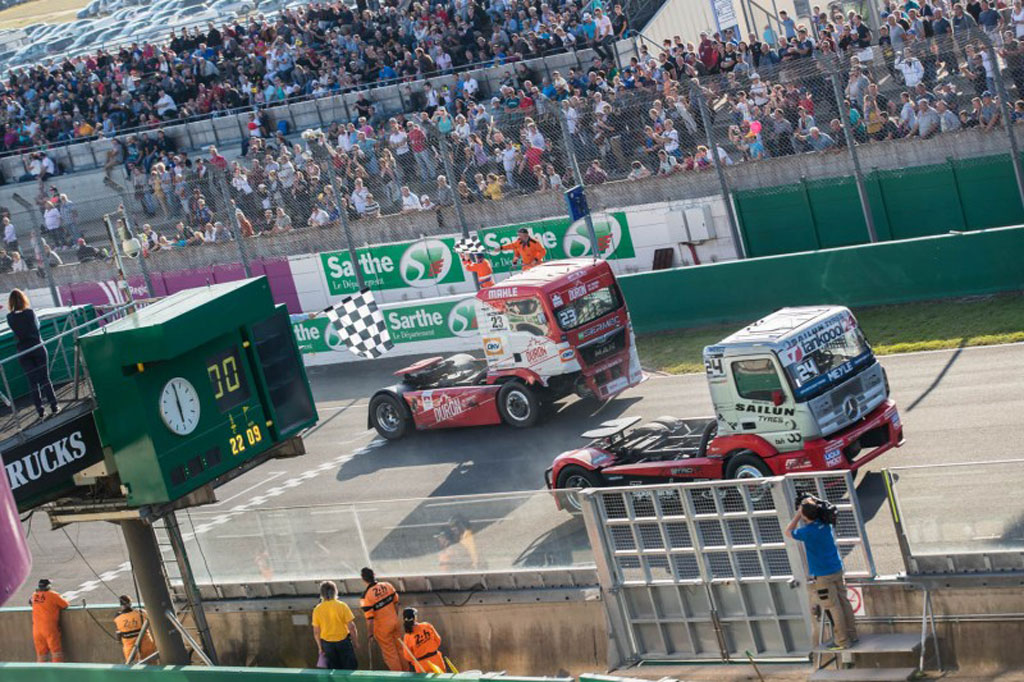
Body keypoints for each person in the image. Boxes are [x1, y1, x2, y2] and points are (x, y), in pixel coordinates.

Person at [786, 495, 858, 650]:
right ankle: (852, 635)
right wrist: (808, 508)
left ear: (805, 516)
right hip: (836, 568)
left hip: (822, 575)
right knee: (844, 601)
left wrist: (798, 514)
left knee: (833, 606)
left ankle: (842, 641)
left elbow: (788, 531)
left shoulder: (807, 532)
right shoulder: (826, 525)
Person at [7, 290, 58, 420]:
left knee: (32, 382)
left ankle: (40, 411)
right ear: (23, 299)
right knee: (45, 378)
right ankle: (54, 406)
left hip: (23, 351)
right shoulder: (30, 313)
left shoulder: (10, 318)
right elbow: (37, 327)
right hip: (37, 347)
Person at [359, 567, 403, 672]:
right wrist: (395, 618)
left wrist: (370, 635)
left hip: (382, 629)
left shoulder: (365, 597)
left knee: (390, 654)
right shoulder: (387, 585)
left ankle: (399, 678)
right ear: (374, 574)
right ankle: (407, 674)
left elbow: (370, 619)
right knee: (401, 649)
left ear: (363, 579)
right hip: (395, 622)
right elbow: (396, 603)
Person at [312, 580, 359, 670]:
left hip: (327, 644)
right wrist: (355, 642)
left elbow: (316, 632)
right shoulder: (342, 606)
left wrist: (320, 647)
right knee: (350, 668)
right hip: (344, 642)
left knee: (334, 670)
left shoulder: (317, 609)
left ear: (321, 594)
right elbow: (352, 627)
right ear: (335, 591)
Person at [30, 579, 68, 662]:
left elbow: (30, 602)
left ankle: (41, 672)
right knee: (56, 652)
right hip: (49, 628)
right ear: (48, 586)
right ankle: (57, 671)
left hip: (36, 629)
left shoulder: (34, 596)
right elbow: (65, 605)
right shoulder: (52, 595)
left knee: (41, 654)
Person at [400, 608, 446, 673]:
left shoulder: (407, 636)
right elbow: (438, 640)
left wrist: (416, 661)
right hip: (436, 660)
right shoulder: (426, 625)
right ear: (415, 617)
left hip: (421, 664)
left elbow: (408, 656)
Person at [114, 595, 156, 664]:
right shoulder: (141, 612)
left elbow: (119, 632)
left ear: (121, 605)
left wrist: (118, 640)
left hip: (130, 647)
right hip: (146, 642)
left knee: (131, 666)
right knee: (152, 664)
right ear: (130, 603)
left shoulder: (118, 617)